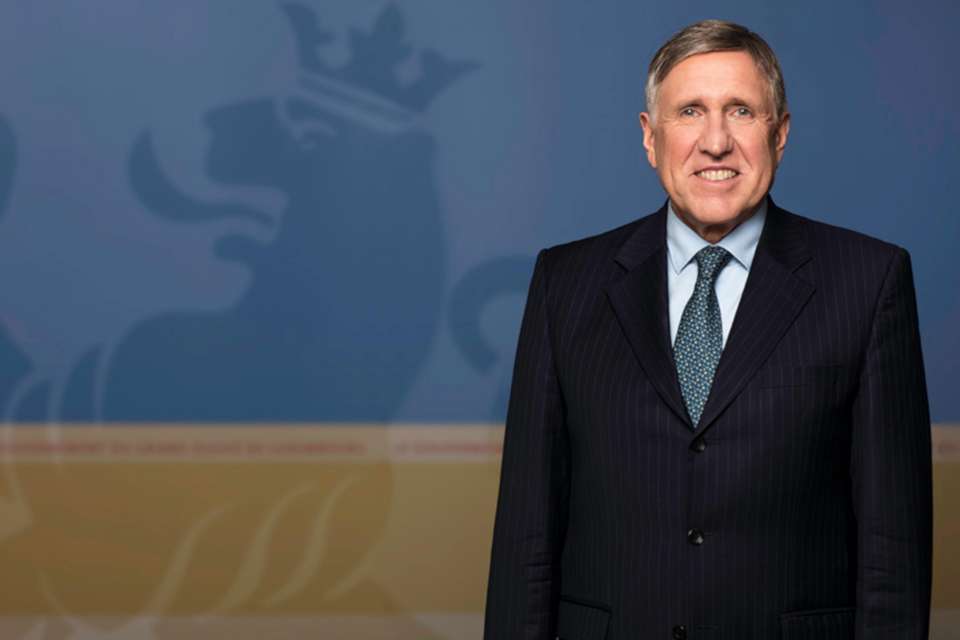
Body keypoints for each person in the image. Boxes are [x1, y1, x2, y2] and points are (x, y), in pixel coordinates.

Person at [483, 19, 932, 640]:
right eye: (690, 111)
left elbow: (893, 551)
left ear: (780, 134)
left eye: (741, 111)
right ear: (651, 137)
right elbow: (526, 537)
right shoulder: (566, 283)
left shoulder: (869, 281)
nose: (715, 141)